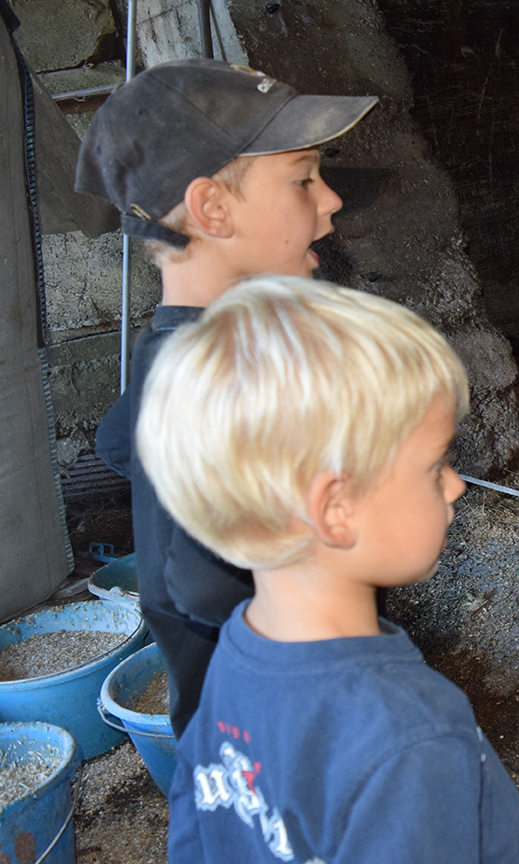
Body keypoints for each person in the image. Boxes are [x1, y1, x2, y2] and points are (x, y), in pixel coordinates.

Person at [138, 275, 519, 862]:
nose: (456, 485)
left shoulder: (233, 658)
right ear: (335, 510)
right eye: (436, 465)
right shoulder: (408, 735)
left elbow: (195, 828)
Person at [78, 58, 377, 736]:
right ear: (212, 207)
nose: (329, 199)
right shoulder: (227, 374)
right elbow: (203, 584)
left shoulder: (183, 349)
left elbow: (117, 441)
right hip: (277, 726)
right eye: (304, 178)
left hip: (224, 716)